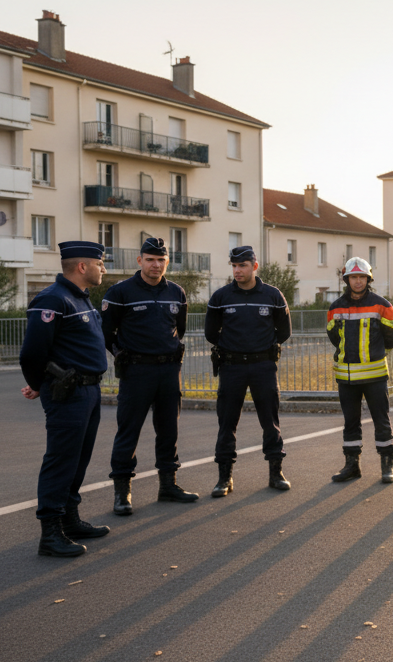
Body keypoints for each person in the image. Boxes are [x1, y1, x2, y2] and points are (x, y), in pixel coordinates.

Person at [19, 241, 112, 557]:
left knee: (79, 459)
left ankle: (70, 520)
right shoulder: (53, 299)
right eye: (100, 264)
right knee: (61, 460)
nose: (103, 269)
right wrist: (40, 384)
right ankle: (50, 533)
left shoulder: (79, 298)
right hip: (69, 393)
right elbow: (32, 353)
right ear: (83, 267)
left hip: (89, 390)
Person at [101, 237, 198, 514]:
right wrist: (123, 356)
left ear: (166, 262)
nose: (156, 265)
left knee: (169, 429)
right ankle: (122, 492)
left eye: (161, 260)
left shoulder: (177, 292)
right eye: (150, 259)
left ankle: (168, 485)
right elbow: (107, 334)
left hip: (169, 370)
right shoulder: (120, 292)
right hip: (136, 371)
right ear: (139, 260)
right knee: (128, 431)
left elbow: (179, 328)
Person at [204, 245, 292, 496]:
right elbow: (211, 333)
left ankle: (276, 473)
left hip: (263, 366)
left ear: (254, 266)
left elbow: (283, 332)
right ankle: (224, 479)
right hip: (232, 367)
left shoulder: (273, 295)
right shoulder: (221, 297)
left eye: (242, 265)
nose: (237, 270)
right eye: (234, 266)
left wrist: (261, 346)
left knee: (270, 422)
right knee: (227, 424)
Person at [327, 257, 393, 483]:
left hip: (375, 376)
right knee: (351, 422)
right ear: (346, 279)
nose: (357, 281)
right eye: (353, 277)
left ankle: (387, 466)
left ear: (368, 279)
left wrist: (376, 352)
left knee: (382, 420)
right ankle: (352, 466)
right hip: (346, 378)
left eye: (362, 277)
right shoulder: (335, 307)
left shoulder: (382, 305)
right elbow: (333, 336)